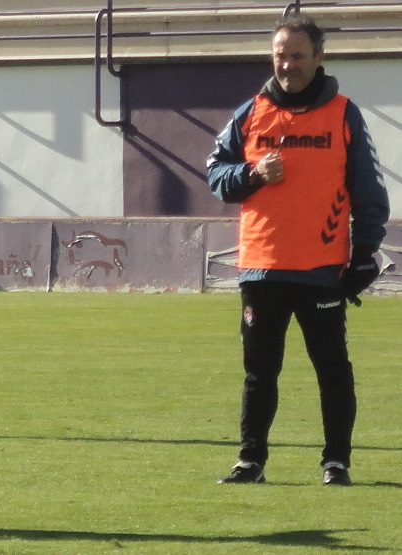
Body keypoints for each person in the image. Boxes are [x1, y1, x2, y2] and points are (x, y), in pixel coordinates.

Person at [207, 15, 389, 487]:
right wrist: (251, 174)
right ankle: (251, 461)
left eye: (297, 56)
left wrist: (364, 252)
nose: (287, 65)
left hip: (321, 269)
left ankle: (336, 462)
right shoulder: (250, 113)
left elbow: (369, 191)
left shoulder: (344, 115)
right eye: (280, 56)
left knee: (332, 371)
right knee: (259, 373)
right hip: (262, 268)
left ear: (319, 57)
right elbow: (215, 175)